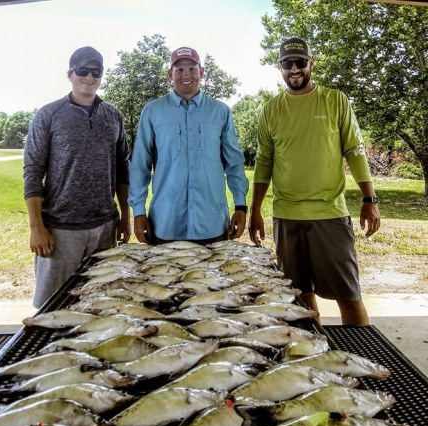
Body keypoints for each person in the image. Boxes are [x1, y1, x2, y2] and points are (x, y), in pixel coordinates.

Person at [248, 36, 380, 325]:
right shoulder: (270, 109)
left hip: (330, 214)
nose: (294, 69)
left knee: (348, 293)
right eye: (287, 63)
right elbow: (264, 163)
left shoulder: (335, 100)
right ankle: (315, 358)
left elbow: (355, 151)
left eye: (300, 62)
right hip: (286, 215)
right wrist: (255, 210)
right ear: (279, 67)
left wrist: (370, 199)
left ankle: (360, 357)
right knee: (299, 296)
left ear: (311, 64)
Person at [23, 46, 131, 309]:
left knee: (99, 305)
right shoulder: (48, 115)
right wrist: (36, 227)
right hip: (60, 230)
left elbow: (122, 168)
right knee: (52, 308)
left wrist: (125, 218)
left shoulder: (112, 115)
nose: (89, 77)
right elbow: (33, 170)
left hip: (105, 229)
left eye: (96, 71)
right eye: (83, 70)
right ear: (70, 73)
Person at [129, 46, 249, 245]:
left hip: (212, 224)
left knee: (214, 277)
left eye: (192, 69)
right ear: (170, 74)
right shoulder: (152, 112)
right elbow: (140, 165)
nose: (186, 75)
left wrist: (241, 206)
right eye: (179, 70)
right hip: (165, 224)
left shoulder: (220, 112)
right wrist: (138, 212)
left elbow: (234, 163)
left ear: (201, 72)